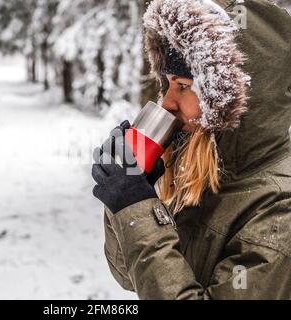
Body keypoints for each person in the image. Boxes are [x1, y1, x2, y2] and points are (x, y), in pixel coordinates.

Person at [91, 0, 291, 299]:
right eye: (168, 83)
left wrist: (136, 210)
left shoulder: (278, 212)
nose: (167, 102)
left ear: (232, 98)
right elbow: (131, 276)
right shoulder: (206, 173)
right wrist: (128, 199)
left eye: (183, 85)